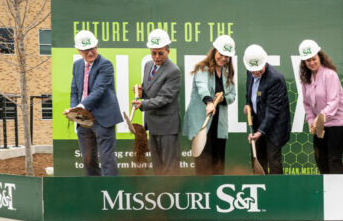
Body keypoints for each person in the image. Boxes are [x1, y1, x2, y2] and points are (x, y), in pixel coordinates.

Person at [65, 30, 122, 176]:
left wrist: (79, 107)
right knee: (88, 159)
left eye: (93, 48)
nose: (90, 52)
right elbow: (74, 91)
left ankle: (111, 191)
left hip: (103, 118)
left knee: (106, 158)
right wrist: (74, 109)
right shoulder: (77, 65)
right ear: (79, 50)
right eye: (86, 50)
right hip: (82, 117)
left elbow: (99, 90)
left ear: (97, 45)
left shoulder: (105, 65)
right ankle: (95, 192)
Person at [183, 34, 238, 175]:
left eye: (227, 56)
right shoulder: (203, 69)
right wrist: (209, 102)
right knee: (203, 168)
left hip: (219, 126)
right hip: (202, 124)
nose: (224, 58)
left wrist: (222, 99)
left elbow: (232, 95)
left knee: (218, 167)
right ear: (214, 51)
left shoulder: (228, 72)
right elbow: (202, 87)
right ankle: (203, 194)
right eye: (221, 54)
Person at [298, 39, 343, 174]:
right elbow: (306, 103)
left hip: (340, 122)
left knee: (333, 158)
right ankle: (326, 187)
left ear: (319, 57)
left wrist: (319, 118)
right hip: (321, 123)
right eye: (308, 60)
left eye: (313, 59)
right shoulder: (306, 78)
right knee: (320, 157)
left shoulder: (330, 75)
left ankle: (337, 189)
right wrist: (311, 121)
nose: (311, 63)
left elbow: (333, 102)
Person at [133, 28, 182, 175]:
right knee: (158, 169)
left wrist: (143, 104)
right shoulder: (148, 65)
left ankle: (173, 196)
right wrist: (141, 93)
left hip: (167, 126)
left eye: (160, 53)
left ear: (168, 51)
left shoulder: (174, 71)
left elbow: (165, 98)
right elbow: (149, 90)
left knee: (170, 169)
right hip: (153, 125)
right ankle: (160, 195)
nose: (156, 56)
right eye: (153, 53)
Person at [243, 43, 291, 175]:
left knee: (273, 160)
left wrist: (260, 131)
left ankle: (277, 190)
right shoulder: (250, 70)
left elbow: (273, 110)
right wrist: (248, 104)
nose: (256, 72)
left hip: (275, 125)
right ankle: (260, 189)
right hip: (258, 120)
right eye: (254, 70)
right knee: (258, 157)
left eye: (260, 68)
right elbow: (249, 92)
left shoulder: (275, 78)